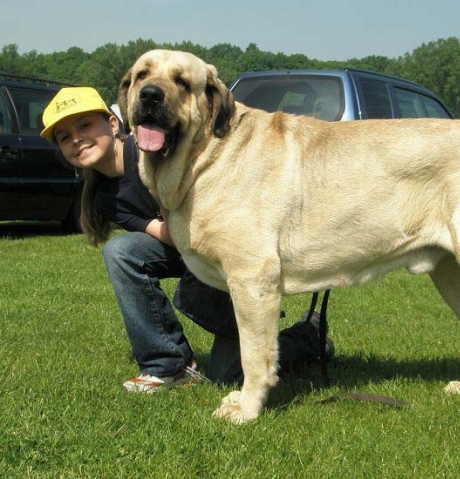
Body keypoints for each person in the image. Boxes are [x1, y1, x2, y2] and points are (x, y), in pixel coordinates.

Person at [40, 86, 333, 392]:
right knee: (120, 251)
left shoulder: (156, 148)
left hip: (225, 254)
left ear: (113, 124)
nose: (76, 138)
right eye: (64, 136)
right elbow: (169, 235)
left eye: (84, 125)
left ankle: (308, 336)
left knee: (229, 376)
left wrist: (158, 180)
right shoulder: (105, 198)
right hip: (187, 248)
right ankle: (167, 364)